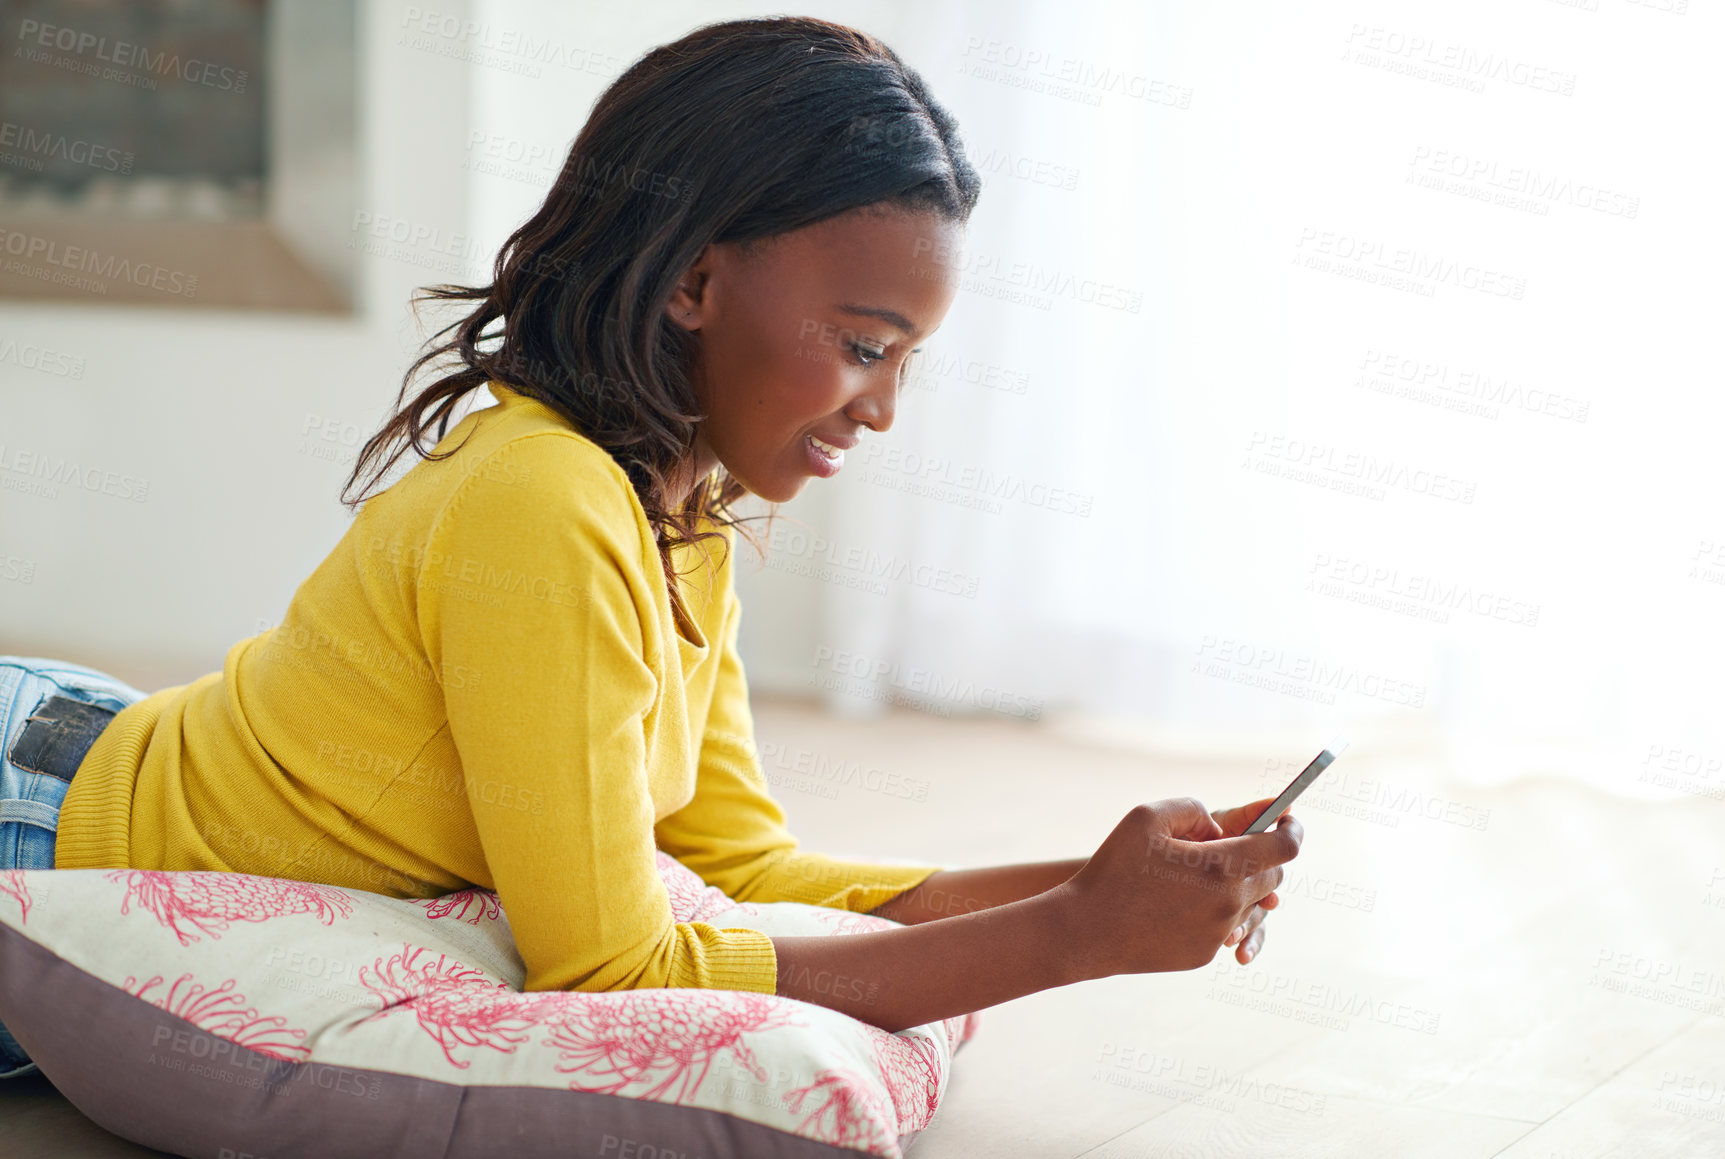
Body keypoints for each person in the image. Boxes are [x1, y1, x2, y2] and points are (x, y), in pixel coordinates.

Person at [0, 16, 1301, 1077]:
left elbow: (743, 871)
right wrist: (1074, 939)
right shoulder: (542, 503)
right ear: (692, 281)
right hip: (47, 840)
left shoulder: (680, 520)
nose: (883, 407)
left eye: (906, 360)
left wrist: (1112, 884)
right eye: (860, 345)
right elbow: (607, 966)